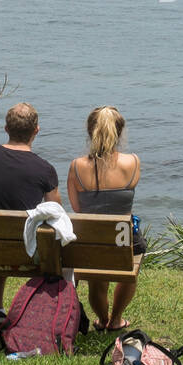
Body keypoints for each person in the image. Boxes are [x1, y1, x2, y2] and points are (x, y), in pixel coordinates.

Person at [0, 102, 61, 327]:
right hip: (26, 250)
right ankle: (38, 309)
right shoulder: (44, 168)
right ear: (36, 130)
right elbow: (56, 213)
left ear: (6, 129)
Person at [67, 106, 143, 332]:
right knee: (131, 265)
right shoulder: (133, 162)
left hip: (92, 242)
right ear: (119, 133)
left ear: (91, 132)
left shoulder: (77, 167)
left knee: (97, 280)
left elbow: (77, 208)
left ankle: (102, 318)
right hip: (124, 240)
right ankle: (117, 318)